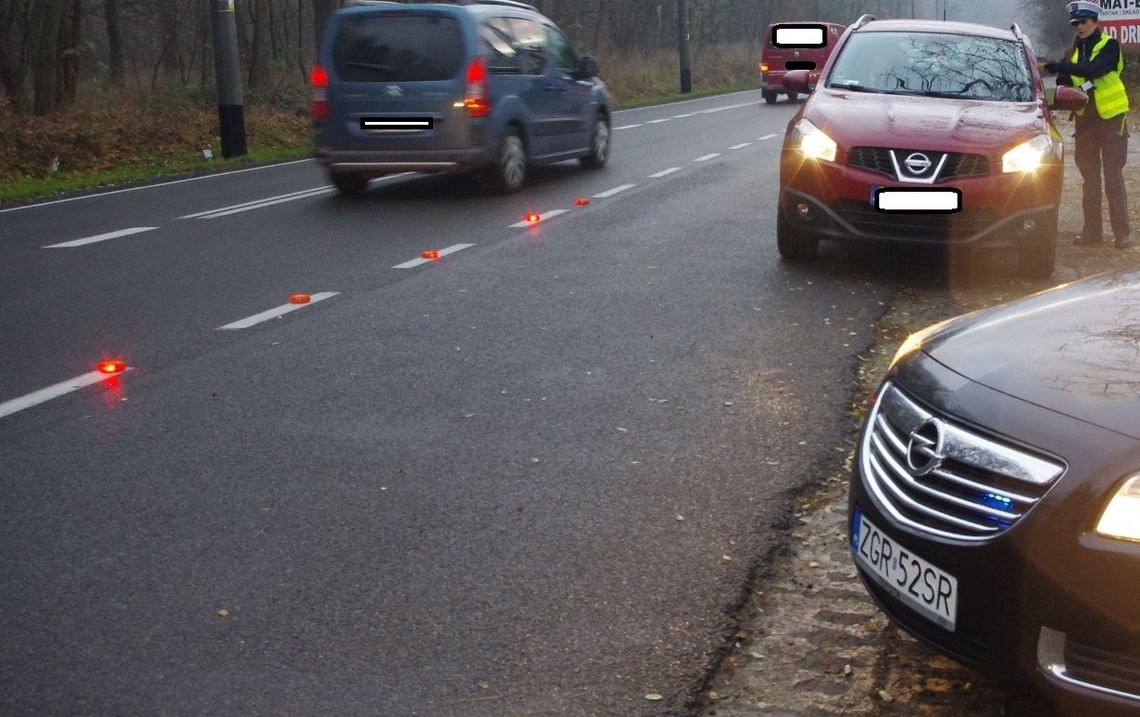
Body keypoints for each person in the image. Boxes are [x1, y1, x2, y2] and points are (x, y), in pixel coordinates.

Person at [1043, 1, 1131, 249]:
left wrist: (1064, 67)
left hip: (1112, 119)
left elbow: (1095, 70)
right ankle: (1092, 233)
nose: (1079, 27)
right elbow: (1062, 82)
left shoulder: (1109, 46)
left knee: (1113, 178)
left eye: (1084, 22)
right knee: (1089, 179)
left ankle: (1122, 234)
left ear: (1095, 22)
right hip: (1085, 122)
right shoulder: (1072, 52)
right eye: (1076, 23)